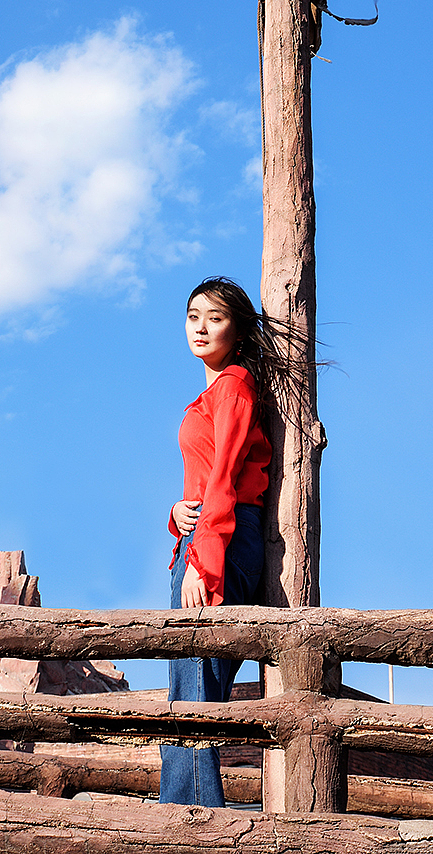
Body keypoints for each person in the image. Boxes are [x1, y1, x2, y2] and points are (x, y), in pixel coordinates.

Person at [159, 276, 276, 808]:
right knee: (199, 689)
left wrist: (201, 563)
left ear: (239, 328)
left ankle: (189, 816)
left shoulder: (231, 385)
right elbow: (206, 481)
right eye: (192, 316)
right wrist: (176, 513)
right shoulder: (216, 390)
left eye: (216, 317)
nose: (201, 327)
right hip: (214, 532)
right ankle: (191, 810)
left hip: (220, 541)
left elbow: (226, 476)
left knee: (192, 692)